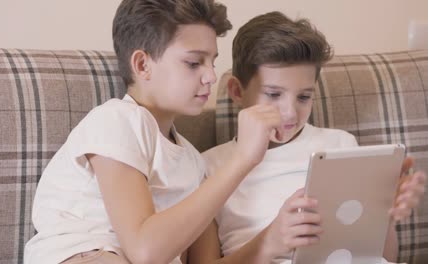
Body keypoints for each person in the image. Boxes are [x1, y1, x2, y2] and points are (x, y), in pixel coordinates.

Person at [23, 1, 284, 263]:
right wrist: (242, 159)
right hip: (85, 254)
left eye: (212, 62)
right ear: (143, 65)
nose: (211, 77)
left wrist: (269, 242)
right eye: (194, 63)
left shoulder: (193, 163)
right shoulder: (116, 120)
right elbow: (144, 252)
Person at [188, 11, 427, 264]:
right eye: (273, 94)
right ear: (237, 91)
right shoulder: (207, 167)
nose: (290, 112)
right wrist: (269, 244)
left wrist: (385, 215)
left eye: (303, 97)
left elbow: (382, 257)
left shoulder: (341, 146)